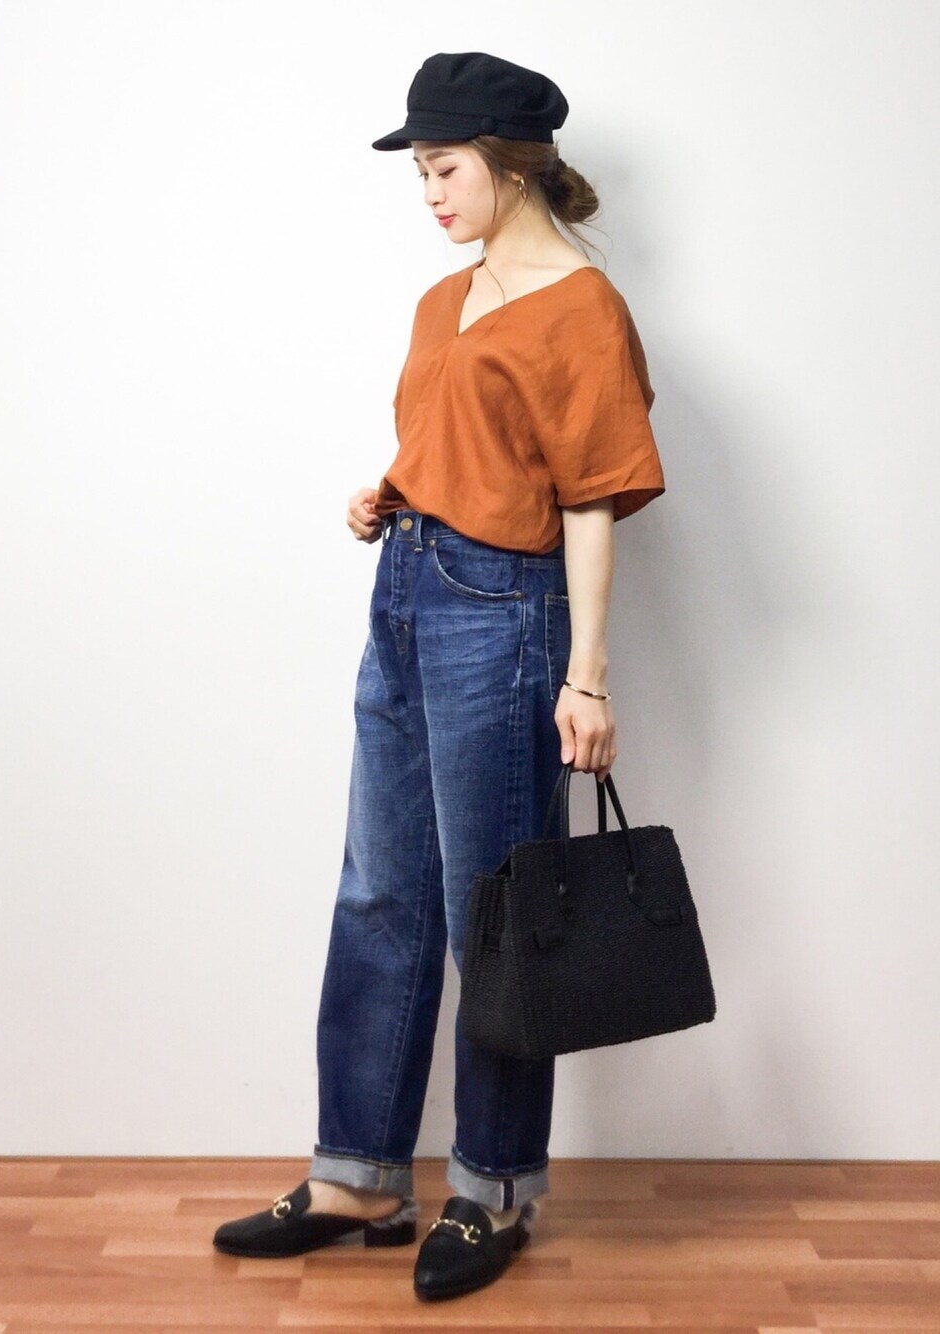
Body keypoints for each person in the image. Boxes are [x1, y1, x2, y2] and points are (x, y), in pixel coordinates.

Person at [213, 50, 665, 1302]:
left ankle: (495, 1186)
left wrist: (586, 676)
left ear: (512, 165)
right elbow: (459, 442)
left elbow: (588, 499)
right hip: (406, 594)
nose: (428, 192)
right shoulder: (440, 301)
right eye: (419, 171)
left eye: (444, 167)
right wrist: (389, 491)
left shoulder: (583, 310)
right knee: (380, 891)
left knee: (494, 915)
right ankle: (359, 1172)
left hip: (504, 617)